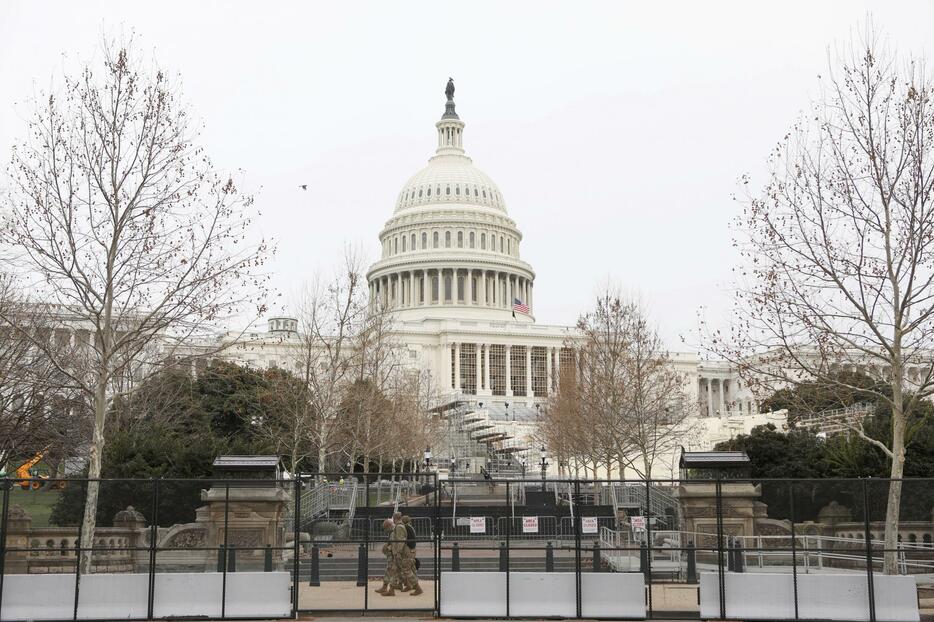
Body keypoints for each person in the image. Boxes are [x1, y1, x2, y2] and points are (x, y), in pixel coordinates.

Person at [390, 513, 421, 596]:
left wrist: (398, 552)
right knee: (397, 569)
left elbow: (401, 540)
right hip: (408, 550)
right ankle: (392, 588)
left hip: (405, 552)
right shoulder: (406, 527)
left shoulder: (400, 527)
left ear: (395, 518)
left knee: (406, 569)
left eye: (393, 518)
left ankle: (416, 587)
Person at [375, 519, 400, 596]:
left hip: (393, 555)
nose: (385, 530)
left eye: (385, 528)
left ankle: (387, 588)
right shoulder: (393, 531)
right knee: (392, 571)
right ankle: (389, 587)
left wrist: (387, 548)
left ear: (388, 526)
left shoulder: (393, 532)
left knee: (390, 571)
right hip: (393, 554)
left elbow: (394, 545)